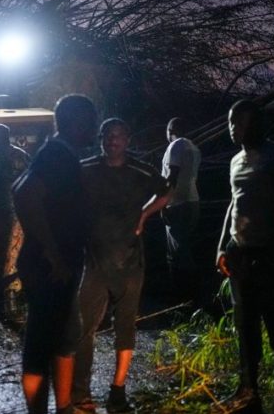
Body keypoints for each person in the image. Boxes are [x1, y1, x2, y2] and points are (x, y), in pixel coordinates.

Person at [73, 118, 170, 413]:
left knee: (125, 327)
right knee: (83, 327)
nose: (113, 140)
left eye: (119, 135)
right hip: (94, 262)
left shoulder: (141, 171)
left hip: (130, 261)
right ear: (100, 138)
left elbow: (167, 192)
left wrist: (144, 214)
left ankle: (118, 389)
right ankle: (81, 394)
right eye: (107, 135)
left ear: (128, 139)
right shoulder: (85, 168)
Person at [12, 94, 97, 414]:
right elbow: (24, 193)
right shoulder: (57, 156)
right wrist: (52, 252)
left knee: (62, 337)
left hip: (58, 266)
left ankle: (64, 407)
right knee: (39, 345)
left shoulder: (60, 153)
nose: (94, 127)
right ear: (78, 122)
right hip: (49, 268)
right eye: (91, 120)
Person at [216, 100, 274, 413]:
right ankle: (249, 393)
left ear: (256, 124)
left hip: (270, 256)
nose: (232, 127)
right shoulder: (236, 161)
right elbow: (234, 202)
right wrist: (224, 245)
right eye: (230, 121)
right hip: (241, 255)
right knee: (246, 327)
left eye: (239, 122)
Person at [0, 123, 31, 311]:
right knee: (15, 254)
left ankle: (3, 299)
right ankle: (14, 296)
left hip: (0, 213)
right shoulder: (22, 155)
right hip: (21, 214)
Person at [160, 117, 204, 307]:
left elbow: (172, 177)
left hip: (177, 204)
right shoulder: (194, 148)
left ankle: (184, 299)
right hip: (192, 201)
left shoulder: (176, 146)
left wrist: (162, 203)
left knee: (178, 253)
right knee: (185, 248)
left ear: (170, 130)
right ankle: (191, 297)